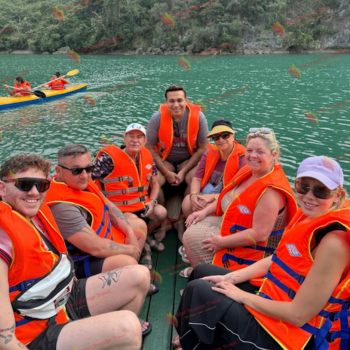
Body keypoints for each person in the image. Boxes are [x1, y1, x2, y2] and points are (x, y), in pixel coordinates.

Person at [172, 155, 350, 350]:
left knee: (200, 290)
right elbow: (280, 259)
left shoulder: (335, 241)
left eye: (321, 191)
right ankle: (191, 339)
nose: (309, 196)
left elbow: (298, 315)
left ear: (338, 194)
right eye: (303, 186)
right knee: (202, 272)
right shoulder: (310, 214)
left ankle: (192, 342)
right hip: (273, 297)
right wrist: (234, 277)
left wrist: (241, 295)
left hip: (288, 336)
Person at [0, 153, 150, 350]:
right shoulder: (4, 237)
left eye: (42, 185)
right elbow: (5, 339)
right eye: (25, 184)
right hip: (35, 332)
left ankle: (98, 336)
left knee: (140, 275)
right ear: (2, 188)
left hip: (61, 300)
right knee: (127, 328)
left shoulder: (36, 213)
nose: (34, 192)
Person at [181, 128, 298, 278]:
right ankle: (200, 270)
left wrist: (222, 242)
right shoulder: (247, 171)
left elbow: (260, 234)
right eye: (249, 150)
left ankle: (208, 276)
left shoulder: (270, 191)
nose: (253, 156)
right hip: (234, 223)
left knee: (192, 237)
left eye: (260, 152)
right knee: (192, 226)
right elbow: (226, 197)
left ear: (273, 155)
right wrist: (203, 211)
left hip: (255, 246)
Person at [44, 145, 147, 279]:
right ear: (58, 171)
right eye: (76, 170)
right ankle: (131, 278)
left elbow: (109, 206)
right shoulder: (62, 208)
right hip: (82, 260)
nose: (84, 175)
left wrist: (129, 232)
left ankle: (133, 276)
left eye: (89, 168)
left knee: (139, 226)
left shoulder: (83, 182)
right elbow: (95, 248)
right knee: (128, 262)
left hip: (103, 238)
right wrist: (131, 250)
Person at [93, 123, 168, 270]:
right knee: (135, 222)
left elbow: (155, 184)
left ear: (145, 141)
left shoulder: (147, 155)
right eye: (131, 136)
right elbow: (88, 181)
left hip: (142, 205)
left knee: (161, 213)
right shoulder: (107, 159)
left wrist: (152, 202)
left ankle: (144, 239)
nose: (135, 140)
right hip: (117, 209)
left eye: (139, 137)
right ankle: (143, 250)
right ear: (124, 138)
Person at [179, 118, 246, 270]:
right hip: (207, 193)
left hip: (226, 198)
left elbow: (237, 191)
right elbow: (197, 178)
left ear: (233, 135)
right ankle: (189, 239)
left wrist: (214, 197)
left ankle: (198, 244)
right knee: (187, 202)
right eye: (216, 137)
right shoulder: (209, 154)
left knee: (202, 206)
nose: (221, 140)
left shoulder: (243, 158)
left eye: (225, 135)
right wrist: (194, 194)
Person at [145, 85, 209, 241]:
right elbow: (149, 148)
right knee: (154, 180)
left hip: (188, 161)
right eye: (171, 101)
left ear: (186, 101)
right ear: (165, 102)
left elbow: (202, 149)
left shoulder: (198, 117)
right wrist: (166, 173)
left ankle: (181, 221)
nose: (176, 105)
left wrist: (183, 171)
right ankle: (164, 221)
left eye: (180, 100)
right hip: (165, 161)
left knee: (193, 179)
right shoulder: (157, 117)